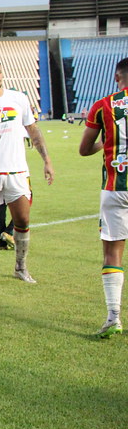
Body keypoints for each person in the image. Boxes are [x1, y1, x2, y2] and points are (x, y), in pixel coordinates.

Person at [0, 58, 55, 283]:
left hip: (17, 171)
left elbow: (34, 131)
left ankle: (20, 267)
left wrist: (46, 160)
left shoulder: (18, 99)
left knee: (22, 220)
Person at [78, 56, 128, 337]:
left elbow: (84, 149)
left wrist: (106, 142)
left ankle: (113, 317)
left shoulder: (103, 105)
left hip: (115, 186)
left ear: (116, 77)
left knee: (113, 253)